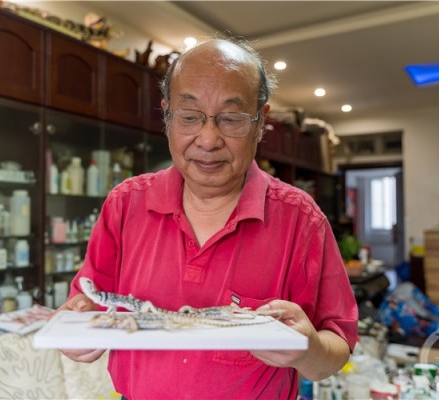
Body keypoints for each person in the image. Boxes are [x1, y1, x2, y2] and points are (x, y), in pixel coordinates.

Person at [57, 36, 358, 399]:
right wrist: (76, 328)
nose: (208, 139)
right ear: (167, 115)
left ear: (260, 122)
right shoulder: (125, 205)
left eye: (231, 119)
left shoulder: (300, 220)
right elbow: (85, 304)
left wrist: (308, 351)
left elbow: (337, 346)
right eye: (189, 117)